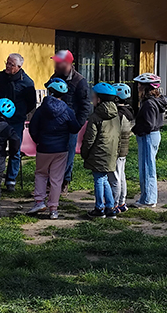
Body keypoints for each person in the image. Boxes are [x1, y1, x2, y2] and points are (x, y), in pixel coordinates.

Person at [28, 78, 80, 219]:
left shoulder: (41, 109)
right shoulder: (67, 110)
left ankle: (39, 202)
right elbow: (75, 128)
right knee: (57, 179)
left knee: (41, 174)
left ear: (50, 91)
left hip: (44, 148)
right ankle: (53, 209)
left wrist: (38, 140)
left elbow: (32, 127)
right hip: (61, 149)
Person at [0, 53, 37, 192]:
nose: (7, 66)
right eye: (7, 62)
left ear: (19, 67)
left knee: (15, 150)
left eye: (11, 64)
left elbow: (31, 103)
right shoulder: (0, 77)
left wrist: (19, 112)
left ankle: (11, 179)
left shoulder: (27, 83)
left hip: (16, 120)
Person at [51, 50, 91, 192]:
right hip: (54, 124)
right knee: (54, 152)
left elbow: (85, 106)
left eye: (58, 61)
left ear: (67, 63)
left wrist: (77, 125)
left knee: (69, 153)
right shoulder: (55, 76)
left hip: (70, 124)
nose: (55, 63)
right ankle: (53, 180)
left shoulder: (79, 81)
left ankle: (65, 181)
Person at [81, 83, 122, 219]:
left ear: (99, 99)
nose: (92, 100)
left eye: (93, 97)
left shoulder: (95, 116)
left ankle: (99, 208)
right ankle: (110, 207)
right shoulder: (116, 115)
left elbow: (89, 138)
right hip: (111, 152)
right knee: (104, 179)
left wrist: (84, 152)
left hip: (98, 152)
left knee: (98, 179)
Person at [131, 73, 166, 208]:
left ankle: (148, 199)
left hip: (148, 135)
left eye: (140, 85)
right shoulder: (156, 101)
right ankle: (147, 197)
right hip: (153, 135)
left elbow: (148, 124)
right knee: (148, 166)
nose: (138, 87)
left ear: (146, 88)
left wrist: (135, 130)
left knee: (147, 168)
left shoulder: (148, 104)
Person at [108, 83, 134, 215]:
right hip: (124, 149)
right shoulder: (128, 112)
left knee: (115, 177)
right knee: (121, 176)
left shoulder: (118, 115)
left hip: (117, 150)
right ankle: (122, 202)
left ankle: (114, 203)